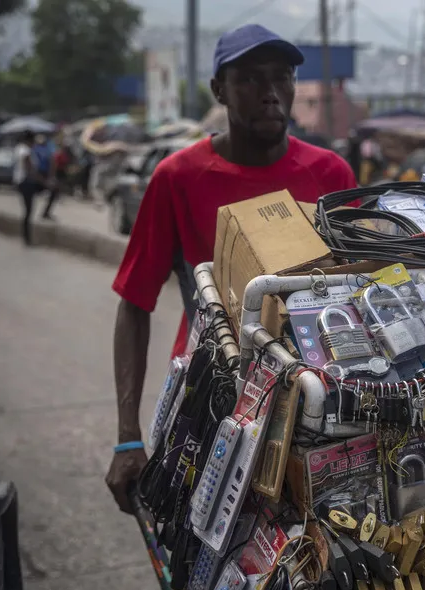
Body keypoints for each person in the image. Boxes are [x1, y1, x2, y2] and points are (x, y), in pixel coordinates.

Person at [104, 25, 356, 514]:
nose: (270, 92)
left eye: (282, 77)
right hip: (208, 401)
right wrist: (127, 437)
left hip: (312, 405)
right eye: (250, 78)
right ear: (219, 89)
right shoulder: (177, 177)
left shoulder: (332, 174)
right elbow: (134, 304)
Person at [13, 131, 49, 245]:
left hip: (22, 181)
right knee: (29, 210)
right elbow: (29, 169)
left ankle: (27, 236)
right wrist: (43, 181)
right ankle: (27, 237)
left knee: (28, 210)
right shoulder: (26, 151)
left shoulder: (19, 149)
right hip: (26, 182)